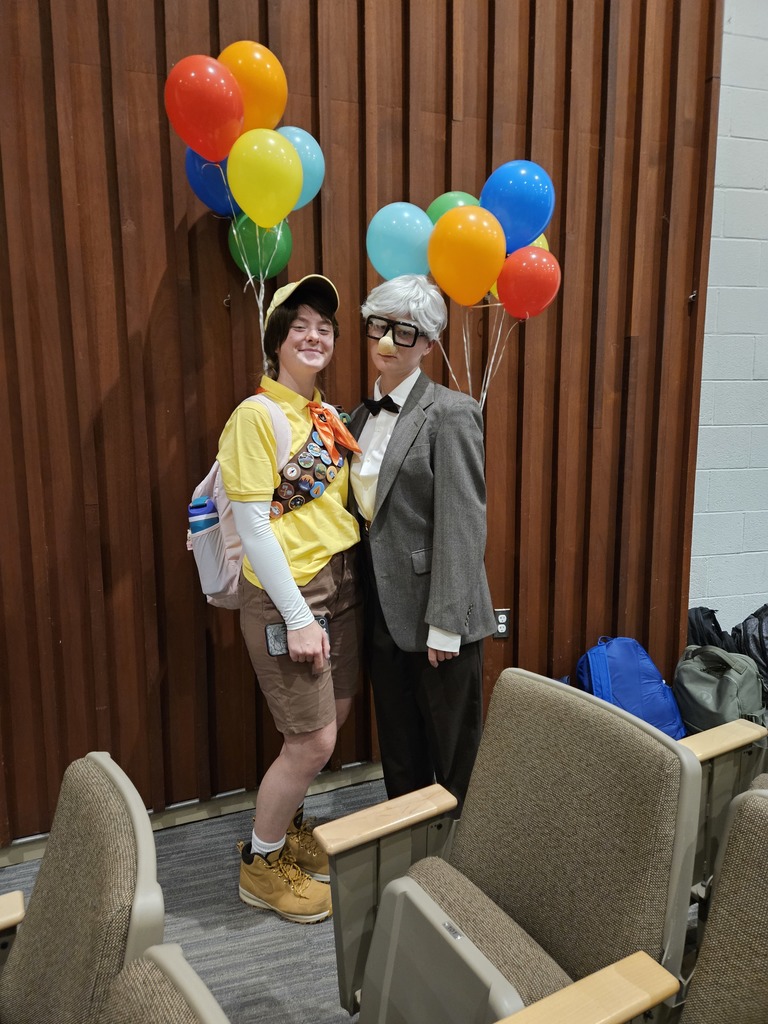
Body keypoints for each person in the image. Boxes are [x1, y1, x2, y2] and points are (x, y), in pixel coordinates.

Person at [216, 275, 362, 923]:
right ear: (276, 342)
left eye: (324, 327)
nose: (313, 335)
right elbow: (251, 526)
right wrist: (299, 616)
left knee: (330, 724)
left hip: (343, 583)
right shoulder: (258, 416)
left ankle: (290, 829)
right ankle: (261, 863)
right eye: (299, 325)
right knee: (309, 742)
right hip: (289, 598)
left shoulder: (323, 416)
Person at [349, 274, 496, 814]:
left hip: (440, 616)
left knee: (456, 755)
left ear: (429, 344)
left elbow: (463, 521)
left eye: (405, 333)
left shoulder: (452, 412)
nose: (386, 342)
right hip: (382, 614)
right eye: (379, 327)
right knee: (400, 752)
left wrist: (446, 624)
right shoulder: (360, 417)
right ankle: (410, 861)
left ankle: (464, 871)